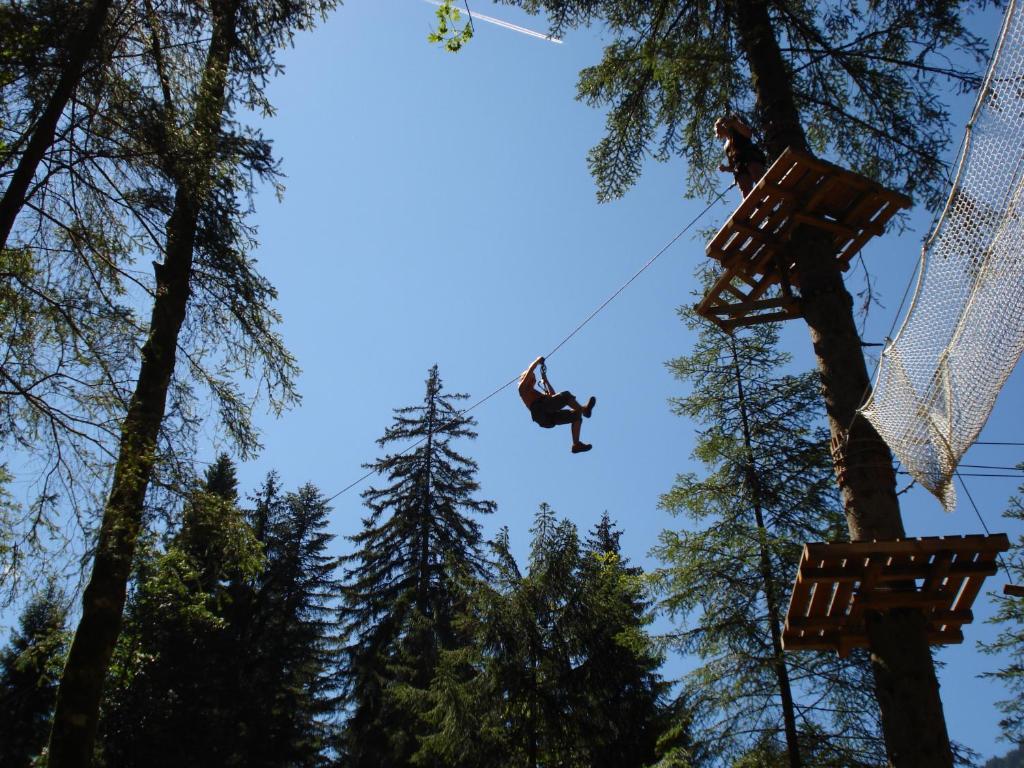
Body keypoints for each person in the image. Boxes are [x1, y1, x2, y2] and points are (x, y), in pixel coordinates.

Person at [518, 356, 595, 453]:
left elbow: (553, 397)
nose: (533, 381)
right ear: (526, 379)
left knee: (576, 415)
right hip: (540, 413)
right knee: (566, 395)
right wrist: (538, 361)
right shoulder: (522, 389)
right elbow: (530, 370)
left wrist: (546, 381)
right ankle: (584, 410)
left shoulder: (537, 393)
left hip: (548, 418)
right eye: (531, 379)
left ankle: (576, 444)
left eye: (534, 380)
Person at [715, 114, 767, 197]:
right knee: (745, 190)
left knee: (760, 178)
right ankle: (756, 206)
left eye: (717, 127)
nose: (716, 132)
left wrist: (734, 123)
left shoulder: (737, 129)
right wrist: (725, 168)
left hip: (750, 157)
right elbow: (732, 166)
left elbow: (748, 134)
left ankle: (771, 194)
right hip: (740, 167)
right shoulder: (726, 146)